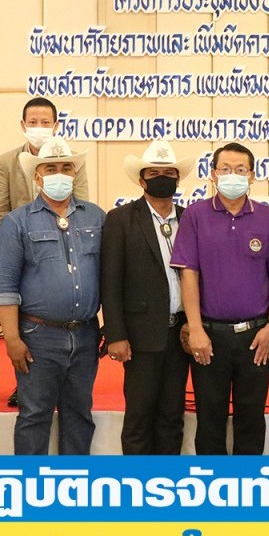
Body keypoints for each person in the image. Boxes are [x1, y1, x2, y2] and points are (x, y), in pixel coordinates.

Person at [171, 142, 269, 455]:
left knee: (251, 418)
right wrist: (195, 328)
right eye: (225, 169)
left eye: (240, 170)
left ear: (252, 175)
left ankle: (248, 482)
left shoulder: (268, 218)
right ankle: (212, 481)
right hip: (209, 336)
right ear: (213, 174)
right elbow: (188, 274)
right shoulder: (195, 215)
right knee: (209, 419)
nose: (233, 175)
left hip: (256, 337)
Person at [0, 137, 105, 455]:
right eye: (51, 168)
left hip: (85, 335)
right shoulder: (17, 222)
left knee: (79, 416)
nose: (60, 174)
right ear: (37, 176)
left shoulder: (96, 218)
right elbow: (6, 286)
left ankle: (74, 482)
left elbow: (109, 277)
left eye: (66, 168)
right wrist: (11, 339)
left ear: (74, 173)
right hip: (37, 337)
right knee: (34, 416)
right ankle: (31, 484)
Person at [101, 140, 193, 455]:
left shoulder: (190, 218)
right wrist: (116, 335)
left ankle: (166, 480)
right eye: (154, 173)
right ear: (141, 180)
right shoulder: (121, 219)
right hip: (140, 336)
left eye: (169, 173)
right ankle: (138, 481)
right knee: (139, 418)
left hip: (181, 334)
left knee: (172, 417)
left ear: (178, 179)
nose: (162, 178)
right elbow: (110, 281)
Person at [0, 97, 90, 232]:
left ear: (55, 126)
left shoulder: (72, 161)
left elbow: (82, 207)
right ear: (23, 126)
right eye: (33, 122)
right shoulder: (6, 162)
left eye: (45, 123)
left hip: (65, 234)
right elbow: (0, 215)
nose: (39, 127)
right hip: (22, 237)